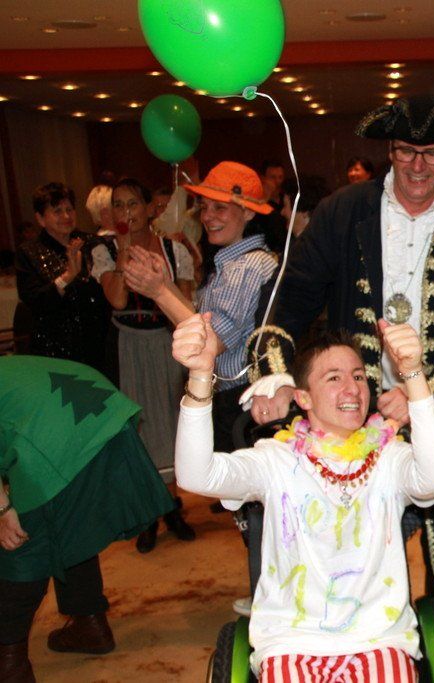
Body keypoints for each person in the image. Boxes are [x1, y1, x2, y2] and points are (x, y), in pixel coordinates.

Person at [245, 95, 434, 621]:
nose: (418, 165)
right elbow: (290, 298)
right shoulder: (343, 211)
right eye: (406, 150)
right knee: (346, 543)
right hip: (350, 411)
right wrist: (275, 375)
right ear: (390, 150)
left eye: (432, 153)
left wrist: (421, 399)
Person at [172, 313, 434, 681]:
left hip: (379, 640)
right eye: (334, 378)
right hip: (292, 643)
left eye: (358, 377)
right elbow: (196, 475)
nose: (352, 389)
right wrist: (200, 374)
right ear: (303, 397)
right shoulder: (275, 460)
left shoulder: (389, 457)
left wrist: (414, 374)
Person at [0, 355, 173, 683]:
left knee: (19, 548)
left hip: (56, 431)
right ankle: (89, 624)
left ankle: (10, 665)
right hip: (104, 411)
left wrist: (3, 511)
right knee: (73, 527)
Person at [123, 162, 279, 453]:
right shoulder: (234, 262)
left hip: (239, 402)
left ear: (248, 212)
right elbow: (199, 320)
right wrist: (165, 284)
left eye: (219, 208)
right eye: (205, 207)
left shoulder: (247, 266)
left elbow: (209, 342)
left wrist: (159, 292)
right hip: (234, 399)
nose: (207, 216)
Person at [88, 177, 196, 552]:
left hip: (165, 341)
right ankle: (149, 514)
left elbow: (186, 305)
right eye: (118, 205)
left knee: (171, 421)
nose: (126, 212)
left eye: (133, 203)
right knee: (140, 425)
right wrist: (123, 256)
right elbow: (117, 300)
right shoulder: (103, 250)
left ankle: (172, 506)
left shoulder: (173, 250)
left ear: (150, 209)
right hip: (127, 343)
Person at [15, 182, 110, 373]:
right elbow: (34, 300)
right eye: (57, 211)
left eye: (69, 209)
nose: (66, 216)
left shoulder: (91, 243)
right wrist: (67, 277)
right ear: (40, 219)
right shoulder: (29, 252)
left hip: (97, 346)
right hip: (54, 350)